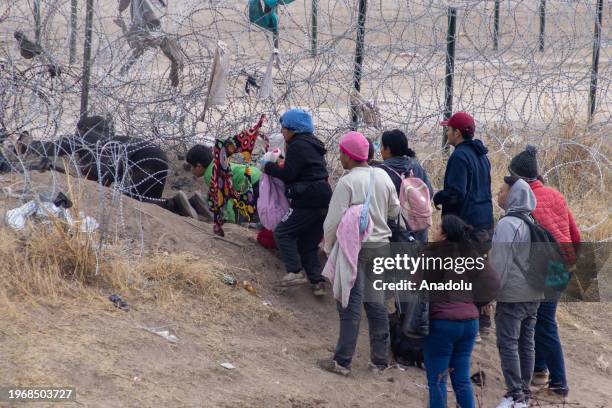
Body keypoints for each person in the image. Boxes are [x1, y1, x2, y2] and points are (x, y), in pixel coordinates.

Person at [318, 131, 400, 376]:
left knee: (349, 305)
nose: (340, 157)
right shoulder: (383, 176)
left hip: (355, 249)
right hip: (381, 247)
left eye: (342, 152)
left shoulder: (348, 182)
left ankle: (342, 361)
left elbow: (332, 222)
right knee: (376, 304)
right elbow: (395, 211)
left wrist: (328, 247)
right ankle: (379, 360)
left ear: (349, 155)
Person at [508, 145, 580, 397]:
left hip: (547, 269)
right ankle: (539, 369)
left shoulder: (528, 204)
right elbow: (575, 234)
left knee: (545, 322)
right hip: (563, 265)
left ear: (520, 180)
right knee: (539, 318)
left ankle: (560, 382)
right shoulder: (555, 195)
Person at [424, 215, 499, 408]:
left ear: (444, 235)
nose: (434, 229)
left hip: (443, 323)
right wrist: (477, 302)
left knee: (438, 380)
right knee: (462, 379)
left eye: (438, 228)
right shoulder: (470, 254)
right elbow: (493, 282)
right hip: (469, 323)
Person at [434, 112, 494, 338]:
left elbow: (456, 194)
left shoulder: (459, 157)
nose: (447, 132)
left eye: (448, 129)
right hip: (485, 222)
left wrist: (438, 197)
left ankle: (473, 325)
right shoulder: (481, 156)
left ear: (457, 133)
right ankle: (484, 322)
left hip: (467, 223)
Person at [262, 109, 332, 295]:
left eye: (285, 127)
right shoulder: (313, 144)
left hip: (308, 199)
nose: (283, 131)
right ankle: (317, 282)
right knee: (308, 243)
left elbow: (289, 174)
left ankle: (294, 271)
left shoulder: (297, 145)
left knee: (283, 232)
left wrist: (268, 167)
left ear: (294, 129)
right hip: (323, 199)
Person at [491, 176, 544, 408]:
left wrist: (489, 292)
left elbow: (500, 264)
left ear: (513, 195)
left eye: (502, 191)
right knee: (526, 342)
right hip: (534, 292)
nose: (498, 194)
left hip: (513, 294)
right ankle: (524, 391)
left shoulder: (508, 224)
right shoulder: (531, 220)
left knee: (508, 342)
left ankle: (515, 394)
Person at [374, 129, 433, 243]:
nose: (380, 150)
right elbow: (429, 192)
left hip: (397, 233)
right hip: (419, 229)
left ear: (388, 149)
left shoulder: (381, 172)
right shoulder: (415, 166)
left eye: (382, 146)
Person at [186, 144, 261, 224]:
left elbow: (227, 198)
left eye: (190, 166)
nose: (190, 170)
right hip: (255, 174)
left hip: (251, 182)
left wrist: (230, 221)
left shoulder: (211, 175)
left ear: (198, 166)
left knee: (249, 216)